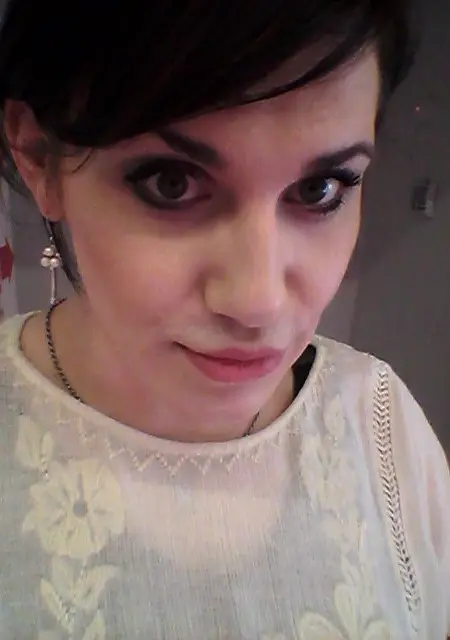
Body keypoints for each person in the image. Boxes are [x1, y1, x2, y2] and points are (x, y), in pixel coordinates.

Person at [0, 0, 448, 638]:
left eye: (321, 188)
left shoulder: (381, 424)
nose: (258, 300)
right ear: (37, 155)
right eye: (171, 184)